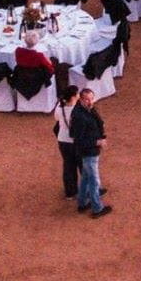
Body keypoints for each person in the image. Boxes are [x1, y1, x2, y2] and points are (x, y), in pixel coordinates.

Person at [69, 88, 112, 216]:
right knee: (94, 181)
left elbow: (98, 123)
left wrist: (92, 108)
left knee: (86, 179)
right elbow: (78, 140)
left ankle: (82, 203)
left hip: (90, 151)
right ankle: (97, 208)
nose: (90, 101)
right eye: (86, 99)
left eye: (91, 98)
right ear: (81, 99)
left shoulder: (86, 110)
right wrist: (96, 142)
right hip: (88, 151)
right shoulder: (79, 116)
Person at [51, 85, 82, 201]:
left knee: (68, 166)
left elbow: (56, 119)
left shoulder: (59, 107)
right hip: (77, 142)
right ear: (74, 96)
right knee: (83, 166)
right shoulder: (79, 110)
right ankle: (87, 190)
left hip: (63, 141)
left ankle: (70, 192)